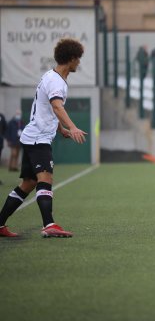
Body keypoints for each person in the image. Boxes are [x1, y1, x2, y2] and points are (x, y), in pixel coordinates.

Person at [0, 38, 88, 238]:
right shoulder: (56, 80)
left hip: (35, 136)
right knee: (45, 178)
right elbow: (57, 106)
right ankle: (49, 225)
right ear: (72, 58)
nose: (79, 63)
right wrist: (72, 127)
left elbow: (49, 109)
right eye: (78, 59)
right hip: (38, 138)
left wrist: (61, 130)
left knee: (28, 184)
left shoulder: (53, 77)